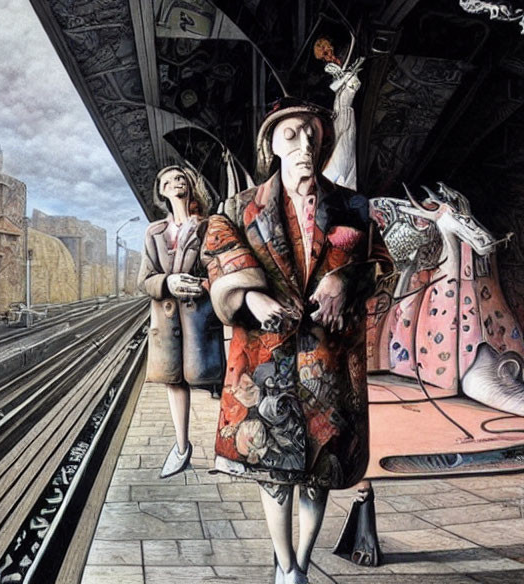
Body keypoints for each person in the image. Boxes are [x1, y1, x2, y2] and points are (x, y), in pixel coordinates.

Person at [202, 98, 391, 584]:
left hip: (330, 360)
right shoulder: (235, 208)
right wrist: (251, 298)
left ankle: (301, 563)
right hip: (266, 363)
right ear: (271, 144)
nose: (304, 144)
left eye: (312, 134)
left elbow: (380, 267)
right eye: (291, 135)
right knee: (274, 473)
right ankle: (286, 564)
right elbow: (218, 261)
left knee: (321, 472)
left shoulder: (354, 205)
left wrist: (345, 280)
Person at [138, 165, 224, 478]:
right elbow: (144, 280)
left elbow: (220, 267)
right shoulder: (154, 232)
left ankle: (227, 451)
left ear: (190, 187)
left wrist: (202, 286)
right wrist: (167, 283)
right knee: (174, 382)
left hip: (200, 317)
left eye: (181, 178)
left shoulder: (208, 226)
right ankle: (182, 447)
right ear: (161, 191)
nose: (176, 182)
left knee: (212, 380)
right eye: (169, 180)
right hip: (167, 319)